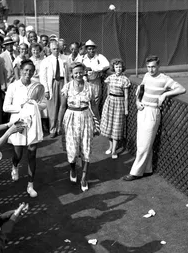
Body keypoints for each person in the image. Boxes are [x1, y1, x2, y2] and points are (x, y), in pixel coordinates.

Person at [123, 55, 186, 181]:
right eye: (148, 67)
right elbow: (140, 89)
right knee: (142, 142)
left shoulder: (164, 79)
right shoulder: (146, 76)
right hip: (142, 110)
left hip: (153, 112)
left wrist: (165, 94)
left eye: (153, 67)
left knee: (144, 145)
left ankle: (135, 172)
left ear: (158, 66)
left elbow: (181, 88)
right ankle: (147, 169)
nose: (151, 70)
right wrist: (137, 102)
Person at [3, 60, 46, 198]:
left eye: (31, 71)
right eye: (26, 70)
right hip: (19, 123)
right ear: (21, 70)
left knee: (32, 153)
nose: (28, 73)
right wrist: (21, 106)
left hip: (33, 123)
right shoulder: (13, 86)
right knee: (18, 154)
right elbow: (5, 107)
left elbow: (44, 104)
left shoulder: (37, 86)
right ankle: (15, 166)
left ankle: (30, 184)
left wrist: (35, 104)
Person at [58, 62, 100, 192]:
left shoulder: (90, 87)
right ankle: (72, 169)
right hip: (70, 118)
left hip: (86, 117)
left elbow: (93, 106)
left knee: (86, 147)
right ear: (71, 74)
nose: (78, 75)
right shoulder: (67, 87)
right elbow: (62, 107)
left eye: (80, 72)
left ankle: (84, 177)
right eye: (75, 73)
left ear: (84, 72)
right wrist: (58, 124)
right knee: (72, 149)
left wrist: (97, 122)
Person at [100, 58, 131, 159]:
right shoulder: (110, 78)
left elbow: (126, 96)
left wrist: (126, 109)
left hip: (119, 103)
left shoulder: (125, 79)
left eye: (120, 67)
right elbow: (108, 91)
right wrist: (107, 103)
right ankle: (110, 147)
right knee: (109, 126)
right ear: (114, 68)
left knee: (116, 128)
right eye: (117, 67)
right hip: (110, 103)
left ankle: (114, 151)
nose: (118, 69)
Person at [40, 40, 68, 138]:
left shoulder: (65, 59)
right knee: (52, 107)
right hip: (52, 83)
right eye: (54, 49)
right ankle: (53, 129)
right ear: (50, 49)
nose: (56, 50)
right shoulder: (46, 60)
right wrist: (46, 90)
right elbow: (42, 76)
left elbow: (68, 73)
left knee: (62, 105)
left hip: (63, 82)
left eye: (57, 48)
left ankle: (60, 128)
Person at [81, 40, 110, 105]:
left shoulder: (99, 57)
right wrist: (84, 71)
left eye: (93, 49)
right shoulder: (82, 58)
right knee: (85, 99)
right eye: (89, 49)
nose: (91, 51)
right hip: (85, 81)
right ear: (86, 50)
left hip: (95, 82)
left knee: (96, 100)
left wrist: (93, 68)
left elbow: (107, 64)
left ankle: (94, 115)